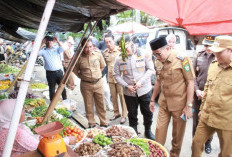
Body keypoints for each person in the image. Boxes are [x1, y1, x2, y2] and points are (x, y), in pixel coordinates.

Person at [149, 37, 195, 157]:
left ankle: (174, 155)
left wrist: (189, 105)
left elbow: (190, 82)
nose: (157, 57)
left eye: (158, 54)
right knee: (159, 132)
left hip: (180, 105)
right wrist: (152, 99)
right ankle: (158, 154)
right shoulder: (157, 61)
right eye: (155, 55)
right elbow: (158, 81)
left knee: (177, 136)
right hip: (164, 103)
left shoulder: (182, 59)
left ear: (168, 48)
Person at [192, 35, 232, 157]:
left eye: (220, 53)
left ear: (230, 50)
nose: (216, 55)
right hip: (207, 115)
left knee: (226, 153)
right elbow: (208, 88)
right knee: (196, 143)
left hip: (226, 120)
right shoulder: (214, 65)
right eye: (216, 52)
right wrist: (202, 108)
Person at [0, 99, 76, 157]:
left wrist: (38, 137)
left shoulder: (5, 127)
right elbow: (42, 147)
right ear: (13, 115)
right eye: (21, 110)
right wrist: (67, 140)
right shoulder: (16, 132)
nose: (24, 111)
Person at [114, 38, 155, 140]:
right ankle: (134, 132)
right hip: (129, 92)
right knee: (132, 113)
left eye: (125, 48)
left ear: (131, 44)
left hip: (144, 90)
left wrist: (141, 82)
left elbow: (151, 69)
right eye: (121, 49)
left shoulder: (144, 54)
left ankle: (148, 130)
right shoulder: (119, 58)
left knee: (147, 112)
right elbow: (116, 74)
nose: (124, 51)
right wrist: (126, 86)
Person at [73, 38, 108, 128]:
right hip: (86, 85)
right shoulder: (78, 57)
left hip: (98, 83)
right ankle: (91, 123)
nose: (88, 49)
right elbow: (75, 70)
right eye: (86, 47)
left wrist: (97, 75)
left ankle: (103, 122)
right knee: (88, 105)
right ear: (82, 48)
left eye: (90, 46)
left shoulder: (98, 54)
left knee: (101, 104)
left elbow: (103, 66)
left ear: (93, 46)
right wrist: (83, 77)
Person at [192, 35, 217, 154]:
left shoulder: (218, 58)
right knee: (196, 120)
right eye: (206, 45)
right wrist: (196, 90)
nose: (207, 48)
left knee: (208, 121)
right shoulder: (199, 55)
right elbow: (193, 76)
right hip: (198, 94)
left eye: (210, 45)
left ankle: (208, 142)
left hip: (211, 95)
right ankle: (195, 141)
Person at [104, 34, 127, 124]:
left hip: (120, 78)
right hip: (110, 78)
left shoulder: (120, 51)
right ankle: (116, 113)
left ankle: (124, 115)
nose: (108, 44)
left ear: (113, 41)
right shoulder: (105, 52)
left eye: (110, 41)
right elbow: (106, 65)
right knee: (113, 97)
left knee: (122, 96)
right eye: (106, 42)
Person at [39, 36, 67, 101]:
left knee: (62, 87)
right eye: (47, 41)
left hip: (59, 72)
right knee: (52, 88)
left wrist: (57, 40)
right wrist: (42, 43)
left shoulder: (57, 49)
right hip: (50, 73)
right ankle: (52, 103)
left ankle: (65, 100)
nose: (49, 42)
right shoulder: (43, 51)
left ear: (52, 41)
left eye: (50, 41)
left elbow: (63, 48)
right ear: (45, 42)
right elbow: (35, 53)